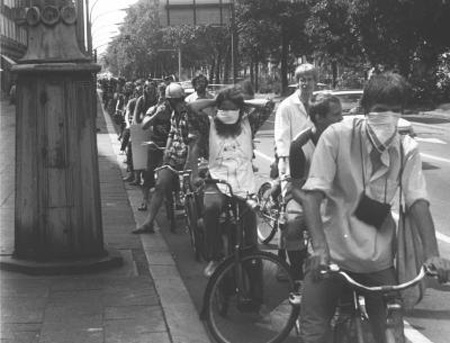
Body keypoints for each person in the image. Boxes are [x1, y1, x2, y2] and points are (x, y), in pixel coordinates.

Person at [300, 72, 450, 343]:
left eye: (396, 111)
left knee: (391, 333)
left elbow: (417, 201)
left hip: (377, 257)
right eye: (381, 110)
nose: (388, 117)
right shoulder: (337, 135)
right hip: (331, 253)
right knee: (313, 329)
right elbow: (313, 195)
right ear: (365, 109)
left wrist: (432, 254)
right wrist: (320, 249)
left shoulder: (407, 147)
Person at [187, 86, 274, 277]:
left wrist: (242, 103)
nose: (226, 113)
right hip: (216, 179)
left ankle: (251, 255)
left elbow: (268, 104)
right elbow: (191, 108)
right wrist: (214, 102)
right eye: (222, 109)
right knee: (211, 209)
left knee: (250, 217)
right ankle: (214, 257)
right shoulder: (208, 124)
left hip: (244, 181)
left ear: (240, 111)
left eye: (231, 109)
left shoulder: (249, 122)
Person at [282, 93, 343, 282]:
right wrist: (315, 205)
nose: (342, 119)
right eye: (336, 115)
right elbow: (296, 187)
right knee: (292, 225)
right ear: (319, 118)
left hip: (334, 196)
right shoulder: (299, 145)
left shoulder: (343, 139)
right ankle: (298, 274)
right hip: (305, 197)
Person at [132, 83, 203, 234]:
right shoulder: (172, 113)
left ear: (171, 100)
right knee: (159, 186)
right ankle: (149, 222)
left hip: (188, 157)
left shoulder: (189, 114)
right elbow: (171, 133)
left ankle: (201, 221)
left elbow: (193, 142)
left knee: (194, 189)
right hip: (172, 157)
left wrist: (189, 165)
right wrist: (167, 152)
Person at [274, 63, 318, 270]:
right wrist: (286, 172)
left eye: (309, 78)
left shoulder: (319, 104)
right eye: (302, 79)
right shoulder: (287, 106)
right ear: (296, 81)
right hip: (293, 166)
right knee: (291, 218)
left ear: (315, 81)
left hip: (318, 165)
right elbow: (282, 140)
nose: (306, 82)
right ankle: (288, 264)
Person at [137, 93, 173, 211]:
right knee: (148, 172)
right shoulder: (152, 110)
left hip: (170, 145)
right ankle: (145, 199)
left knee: (173, 171)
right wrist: (156, 114)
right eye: (161, 98)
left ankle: (177, 198)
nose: (163, 101)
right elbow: (144, 125)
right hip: (155, 144)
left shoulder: (174, 111)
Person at [130, 80, 159, 186]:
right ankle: (136, 177)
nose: (149, 90)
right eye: (147, 88)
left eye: (151, 88)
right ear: (145, 89)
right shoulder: (141, 100)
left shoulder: (157, 100)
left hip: (154, 129)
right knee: (136, 152)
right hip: (141, 128)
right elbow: (136, 118)